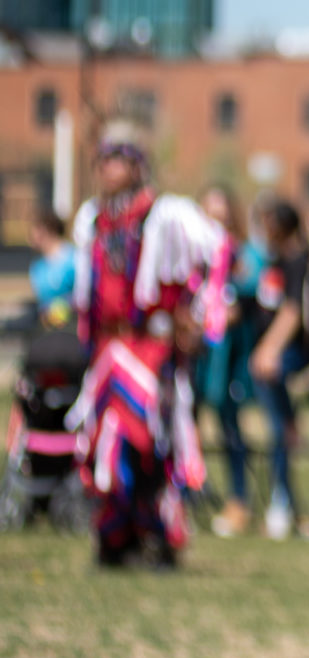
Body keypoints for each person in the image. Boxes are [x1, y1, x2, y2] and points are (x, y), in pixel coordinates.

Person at [67, 122, 224, 567]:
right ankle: (116, 536)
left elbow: (214, 257)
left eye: (119, 159)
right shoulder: (94, 219)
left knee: (151, 442)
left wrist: (194, 318)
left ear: (137, 166)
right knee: (105, 440)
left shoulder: (166, 215)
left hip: (149, 349)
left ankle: (158, 535)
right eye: (104, 159)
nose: (110, 168)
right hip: (106, 349)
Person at [244, 196, 309, 539]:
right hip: (269, 350)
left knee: (279, 431)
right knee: (280, 428)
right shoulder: (273, 259)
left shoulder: (299, 260)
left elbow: (292, 310)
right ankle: (283, 498)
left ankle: (281, 501)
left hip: (286, 355)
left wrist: (269, 349)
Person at [195, 185, 259, 538]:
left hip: (229, 355)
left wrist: (226, 312)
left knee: (229, 423)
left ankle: (239, 500)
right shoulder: (192, 255)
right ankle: (186, 493)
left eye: (221, 216)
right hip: (196, 351)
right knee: (184, 422)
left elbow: (249, 296)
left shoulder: (242, 256)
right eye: (209, 215)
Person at [27, 205, 77, 331]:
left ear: (46, 229)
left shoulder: (74, 259)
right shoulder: (37, 268)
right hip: (48, 334)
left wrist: (65, 307)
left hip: (72, 332)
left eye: (34, 228)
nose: (30, 234)